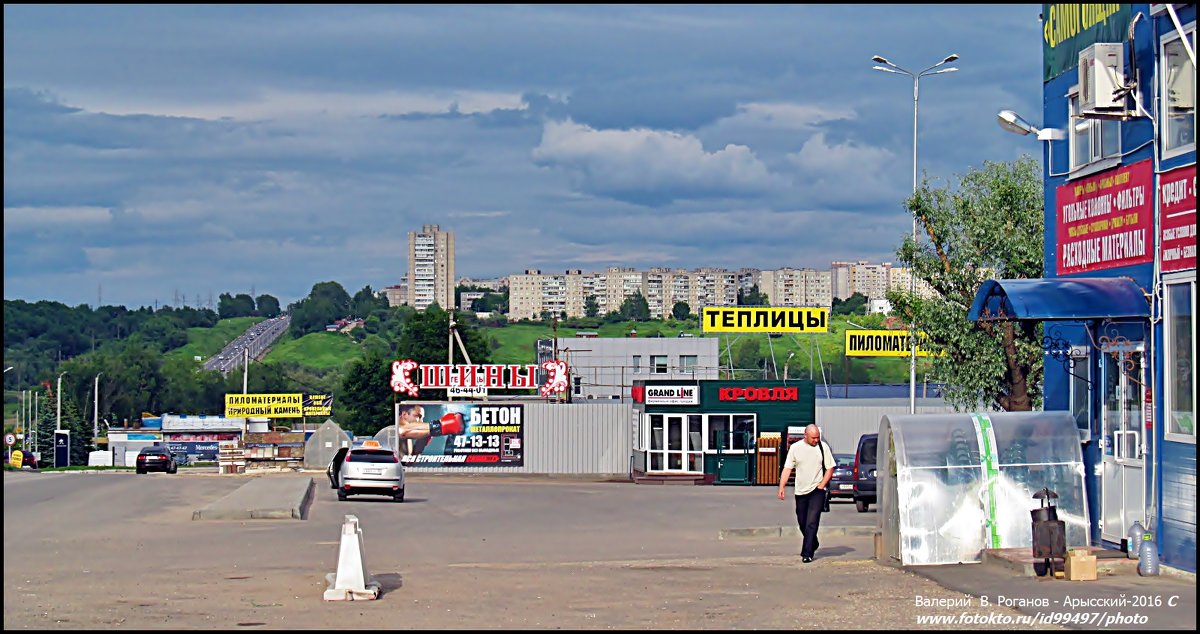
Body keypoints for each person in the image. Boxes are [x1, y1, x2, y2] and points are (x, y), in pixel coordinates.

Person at [777, 424, 835, 563]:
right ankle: (813, 542)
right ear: (805, 435)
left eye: (817, 437)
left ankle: (807, 553)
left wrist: (821, 485)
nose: (816, 440)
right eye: (813, 438)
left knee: (812, 522)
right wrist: (781, 487)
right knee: (802, 521)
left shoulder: (823, 447)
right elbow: (787, 468)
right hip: (801, 491)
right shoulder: (795, 448)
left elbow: (830, 468)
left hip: (817, 490)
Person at [396, 404, 466, 457]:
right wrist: (438, 426)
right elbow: (402, 430)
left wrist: (420, 446)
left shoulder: (408, 434)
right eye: (417, 416)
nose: (421, 421)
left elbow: (409, 462)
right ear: (404, 414)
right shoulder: (396, 429)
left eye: (422, 418)